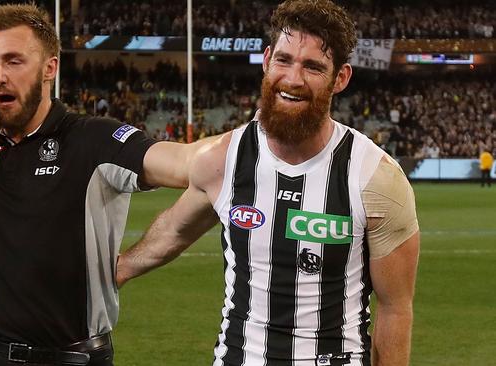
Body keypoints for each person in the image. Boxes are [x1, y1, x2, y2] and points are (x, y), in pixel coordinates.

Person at [0, 4, 212, 366]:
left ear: (50, 68)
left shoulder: (94, 139)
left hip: (71, 357)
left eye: (13, 61)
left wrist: (256, 139)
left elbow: (186, 164)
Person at [116, 1, 420, 365]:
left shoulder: (376, 177)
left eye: (313, 67)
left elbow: (395, 309)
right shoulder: (223, 159)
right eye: (284, 60)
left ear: (341, 78)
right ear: (266, 60)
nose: (293, 79)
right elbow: (174, 232)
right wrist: (117, 269)